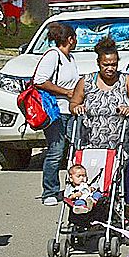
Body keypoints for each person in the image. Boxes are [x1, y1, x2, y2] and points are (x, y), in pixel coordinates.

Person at [69, 36, 129, 199]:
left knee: (125, 177)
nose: (110, 68)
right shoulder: (86, 81)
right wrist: (77, 108)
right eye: (106, 64)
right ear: (98, 63)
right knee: (95, 181)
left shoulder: (126, 80)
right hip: (92, 143)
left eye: (114, 64)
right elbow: (73, 103)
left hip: (120, 142)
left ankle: (127, 209)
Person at [32, 22, 80, 205]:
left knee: (73, 149)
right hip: (55, 111)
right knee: (56, 151)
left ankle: (74, 186)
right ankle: (49, 192)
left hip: (70, 110)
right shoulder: (53, 56)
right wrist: (66, 92)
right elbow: (39, 81)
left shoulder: (70, 58)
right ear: (70, 39)